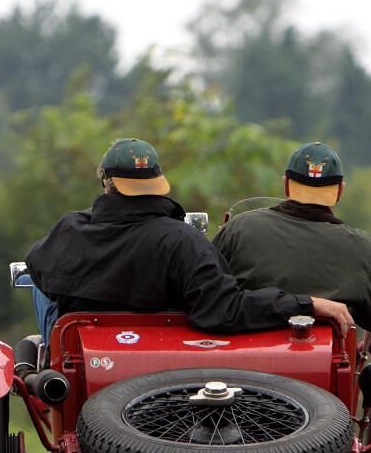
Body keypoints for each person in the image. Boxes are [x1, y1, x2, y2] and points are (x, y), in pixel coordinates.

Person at [25, 138, 353, 342]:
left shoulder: (70, 230)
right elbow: (226, 309)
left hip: (80, 349)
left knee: (41, 282)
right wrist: (306, 303)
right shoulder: (182, 241)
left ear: (106, 184)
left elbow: (37, 264)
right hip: (155, 354)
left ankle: (40, 356)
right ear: (156, 181)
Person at [213, 141, 371, 332]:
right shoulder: (362, 248)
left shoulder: (239, 228)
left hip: (244, 355)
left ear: (286, 184)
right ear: (340, 190)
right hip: (326, 359)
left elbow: (207, 293)